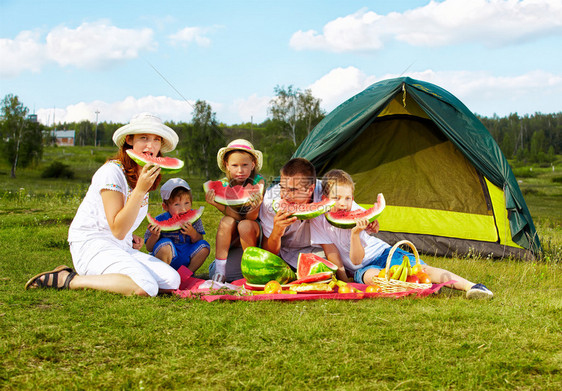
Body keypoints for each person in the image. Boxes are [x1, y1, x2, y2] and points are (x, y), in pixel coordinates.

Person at [25, 112, 181, 296]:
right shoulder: (111, 172)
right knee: (146, 287)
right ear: (130, 139)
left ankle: (124, 278)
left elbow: (121, 230)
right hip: (92, 245)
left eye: (156, 140)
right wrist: (139, 191)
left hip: (120, 247)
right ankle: (68, 279)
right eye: (144, 138)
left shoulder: (143, 175)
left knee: (172, 281)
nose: (151, 145)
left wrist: (130, 237)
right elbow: (117, 229)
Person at [310, 169, 494, 299]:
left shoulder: (356, 212)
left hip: (384, 253)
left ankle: (472, 286)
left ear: (353, 197)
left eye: (348, 198)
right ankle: (424, 287)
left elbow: (369, 234)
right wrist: (346, 284)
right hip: (362, 268)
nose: (343, 204)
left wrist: (357, 233)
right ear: (325, 198)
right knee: (378, 278)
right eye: (336, 198)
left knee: (422, 269)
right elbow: (348, 260)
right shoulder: (319, 222)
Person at [259, 158, 347, 281]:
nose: (285, 195)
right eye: (282, 187)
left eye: (293, 190)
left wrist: (369, 222)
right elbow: (268, 253)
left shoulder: (328, 192)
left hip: (320, 252)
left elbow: (351, 209)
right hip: (284, 255)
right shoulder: (270, 202)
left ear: (310, 189)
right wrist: (276, 233)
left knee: (326, 272)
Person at [205, 139, 265, 282]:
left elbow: (249, 219)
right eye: (235, 165)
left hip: (253, 234)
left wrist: (256, 205)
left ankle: (252, 267)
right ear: (227, 166)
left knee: (244, 225)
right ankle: (219, 270)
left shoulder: (258, 181)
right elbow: (235, 216)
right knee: (226, 220)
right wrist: (215, 203)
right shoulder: (224, 184)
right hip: (234, 240)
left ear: (253, 164)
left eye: (245, 165)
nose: (240, 170)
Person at [144, 178, 210, 274]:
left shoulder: (194, 219)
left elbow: (199, 238)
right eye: (177, 204)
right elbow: (149, 248)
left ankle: (186, 275)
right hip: (166, 259)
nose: (183, 208)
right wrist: (154, 236)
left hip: (186, 255)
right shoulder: (159, 220)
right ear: (165, 207)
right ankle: (165, 276)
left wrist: (193, 233)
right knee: (165, 244)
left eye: (187, 203)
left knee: (204, 246)